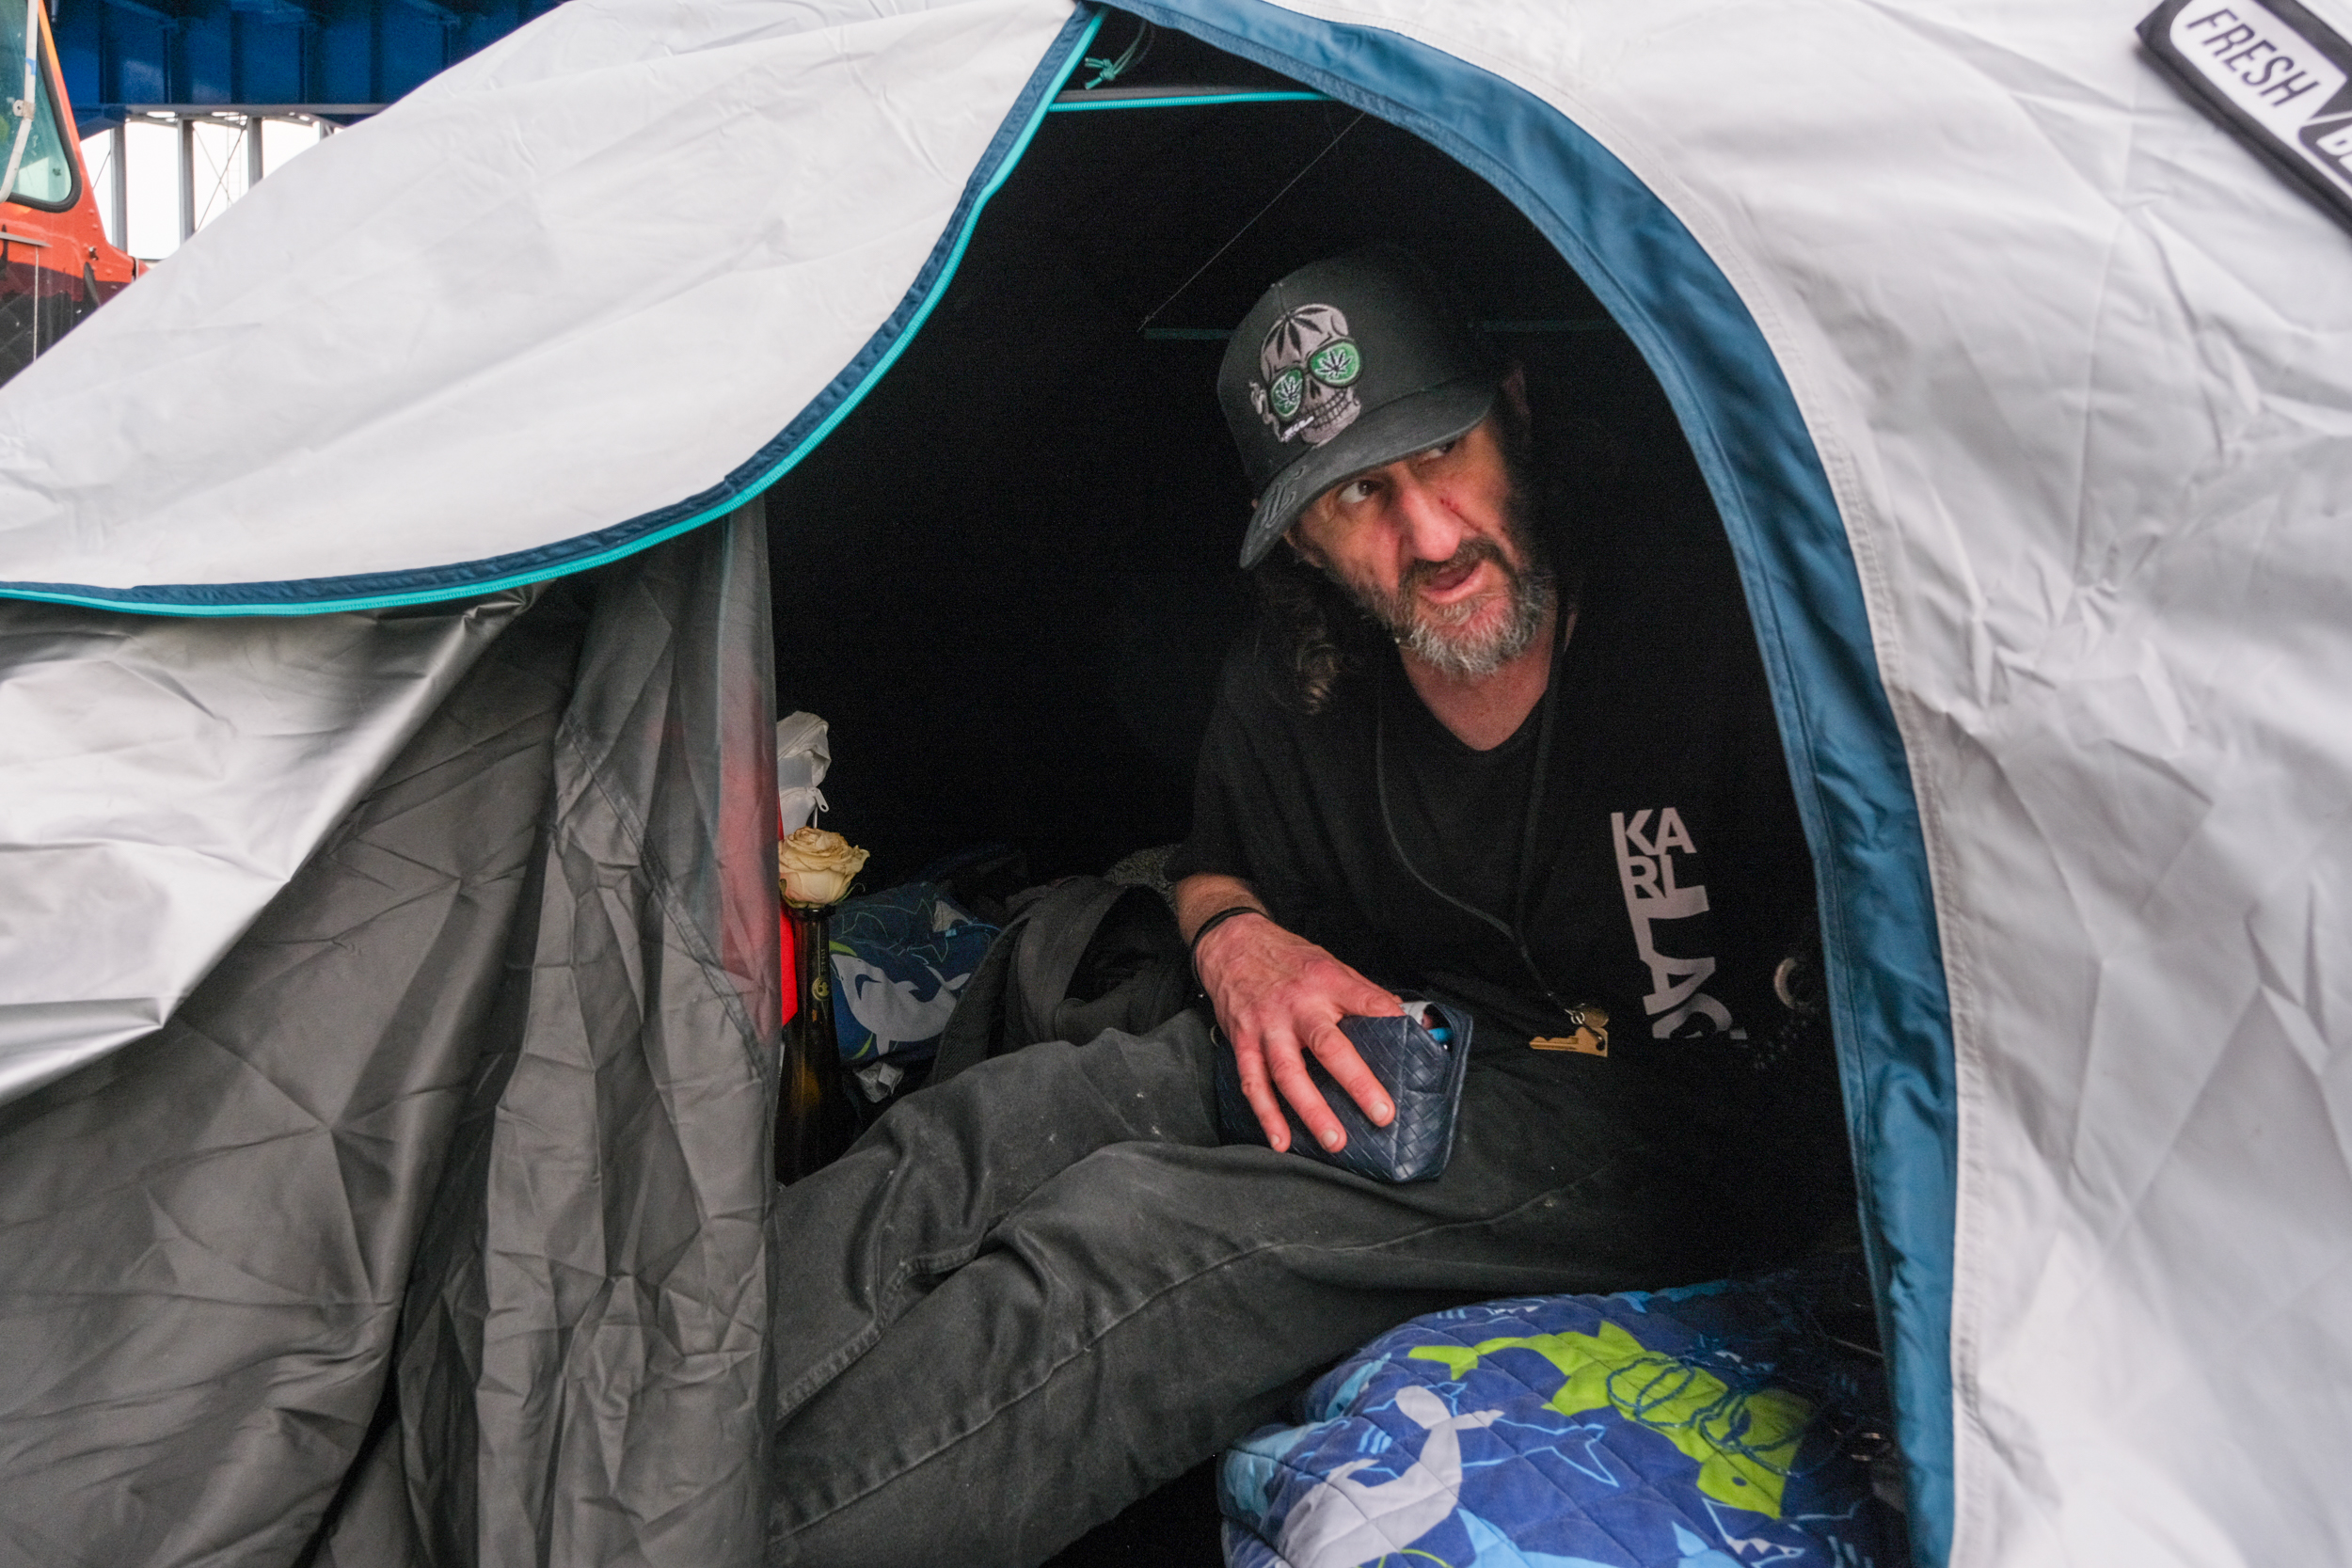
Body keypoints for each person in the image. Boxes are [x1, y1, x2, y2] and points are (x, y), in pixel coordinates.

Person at [765, 247, 1853, 1568]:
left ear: (1515, 407)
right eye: (1357, 497)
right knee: (1001, 1127)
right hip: (1418, 1042)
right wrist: (1237, 944)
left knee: (1140, 1247)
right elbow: (1215, 859)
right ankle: (586, 1443)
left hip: (1683, 1115)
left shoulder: (1713, 620)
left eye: (1446, 451)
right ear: (1300, 536)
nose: (1432, 537)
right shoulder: (1306, 672)